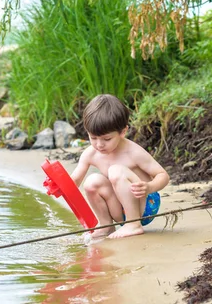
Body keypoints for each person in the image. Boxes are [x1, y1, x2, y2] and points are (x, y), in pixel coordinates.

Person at [70, 94, 170, 240]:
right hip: (119, 206)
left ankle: (134, 224)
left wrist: (149, 187)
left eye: (107, 139)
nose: (99, 144)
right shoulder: (90, 154)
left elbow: (163, 175)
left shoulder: (132, 151)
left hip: (145, 204)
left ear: (123, 132)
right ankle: (106, 226)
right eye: (93, 138)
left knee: (115, 170)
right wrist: (58, 185)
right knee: (92, 181)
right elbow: (74, 182)